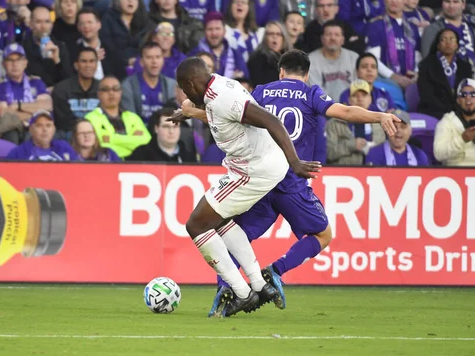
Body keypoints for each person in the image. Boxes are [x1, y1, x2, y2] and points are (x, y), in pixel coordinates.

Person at [174, 50, 398, 314]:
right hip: (290, 180)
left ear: (280, 71)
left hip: (260, 180)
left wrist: (191, 112)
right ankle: (274, 272)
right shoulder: (311, 93)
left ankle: (229, 287)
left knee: (230, 231)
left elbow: (236, 116)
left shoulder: (261, 91)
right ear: (306, 74)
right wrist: (379, 116)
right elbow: (346, 112)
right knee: (322, 235)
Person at [167, 55, 322, 317]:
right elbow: (223, 116)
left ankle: (242, 293)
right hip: (253, 165)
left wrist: (294, 162)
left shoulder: (223, 97)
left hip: (255, 168)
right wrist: (189, 112)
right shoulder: (217, 89)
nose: (184, 93)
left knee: (196, 224)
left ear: (192, 84)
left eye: (184, 88)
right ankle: (260, 286)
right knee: (219, 220)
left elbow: (271, 121)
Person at [85, 75, 152, 158]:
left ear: (121, 92)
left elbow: (146, 142)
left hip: (135, 163)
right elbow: (99, 146)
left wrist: (111, 139)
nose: (111, 93)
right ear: (99, 94)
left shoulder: (133, 117)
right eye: (106, 89)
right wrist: (131, 140)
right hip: (107, 163)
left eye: (115, 89)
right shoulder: (91, 118)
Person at [326, 79, 387, 165]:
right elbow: (328, 153)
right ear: (349, 100)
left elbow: (386, 152)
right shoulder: (334, 124)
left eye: (364, 95)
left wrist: (372, 148)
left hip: (373, 173)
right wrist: (351, 145)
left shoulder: (379, 123)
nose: (360, 99)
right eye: (355, 95)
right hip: (344, 173)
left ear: (370, 99)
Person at [418, 28, 473, 120]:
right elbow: (426, 95)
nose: (448, 42)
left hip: (460, 113)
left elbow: (468, 92)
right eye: (443, 39)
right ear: (438, 45)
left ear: (457, 45)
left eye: (451, 39)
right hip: (434, 112)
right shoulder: (426, 65)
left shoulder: (465, 67)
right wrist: (449, 113)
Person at [433, 78, 475, 166]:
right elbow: (438, 154)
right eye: (463, 94)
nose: (468, 98)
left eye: (473, 94)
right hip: (457, 173)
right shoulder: (447, 122)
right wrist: (462, 139)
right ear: (458, 100)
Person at [128, 107, 197, 162]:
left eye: (175, 127)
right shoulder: (140, 154)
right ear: (156, 128)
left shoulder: (189, 158)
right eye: (166, 127)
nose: (171, 131)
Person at [7, 109, 78, 161]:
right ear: (31, 130)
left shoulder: (64, 148)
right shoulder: (18, 153)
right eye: (39, 125)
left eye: (48, 125)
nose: (45, 130)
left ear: (54, 129)